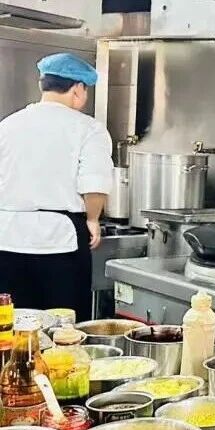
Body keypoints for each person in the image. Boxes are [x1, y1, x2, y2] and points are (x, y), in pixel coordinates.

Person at [0, 53, 113, 321]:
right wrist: (93, 219)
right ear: (77, 89)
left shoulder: (8, 125)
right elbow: (94, 183)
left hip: (7, 239)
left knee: (12, 324)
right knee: (64, 325)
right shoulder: (89, 129)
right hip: (59, 243)